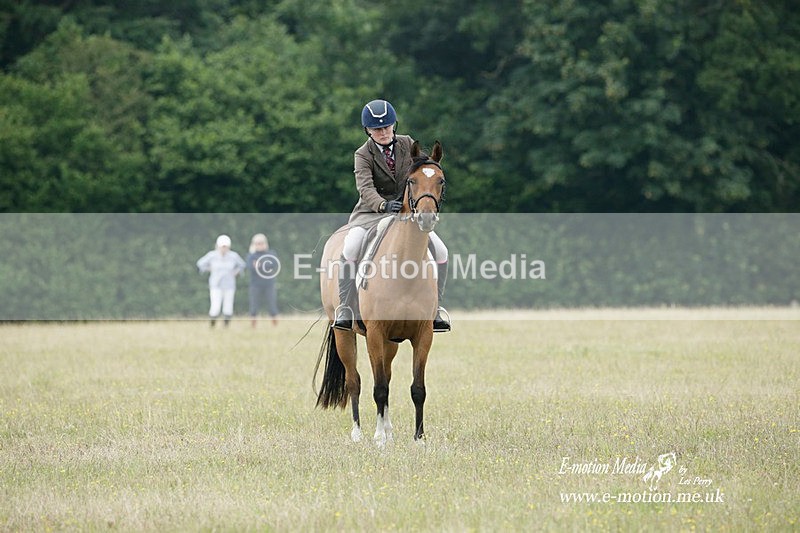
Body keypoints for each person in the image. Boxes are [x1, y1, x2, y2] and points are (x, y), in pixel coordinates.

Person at [334, 98, 451, 332]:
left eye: (387, 127)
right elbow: (365, 189)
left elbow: (423, 170)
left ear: (393, 126)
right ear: (368, 130)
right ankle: (346, 307)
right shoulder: (362, 154)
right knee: (351, 246)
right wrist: (383, 205)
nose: (384, 132)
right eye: (377, 129)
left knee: (441, 250)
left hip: (407, 214)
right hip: (371, 213)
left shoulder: (407, 143)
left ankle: (436, 308)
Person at [196, 234, 246, 327]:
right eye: (222, 246)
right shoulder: (212, 255)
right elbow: (200, 263)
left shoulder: (233, 256)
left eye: (225, 247)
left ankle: (226, 326)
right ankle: (212, 325)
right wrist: (209, 269)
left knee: (228, 306)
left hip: (229, 284)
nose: (224, 249)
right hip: (216, 284)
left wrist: (236, 272)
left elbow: (242, 265)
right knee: (215, 306)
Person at [246, 233, 280, 327]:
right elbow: (250, 267)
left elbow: (273, 264)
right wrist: (264, 264)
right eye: (257, 243)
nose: (260, 245)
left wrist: (259, 264)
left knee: (272, 306)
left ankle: (275, 326)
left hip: (269, 284)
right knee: (253, 307)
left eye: (261, 243)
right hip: (255, 285)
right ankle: (253, 327)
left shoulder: (271, 254)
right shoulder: (251, 256)